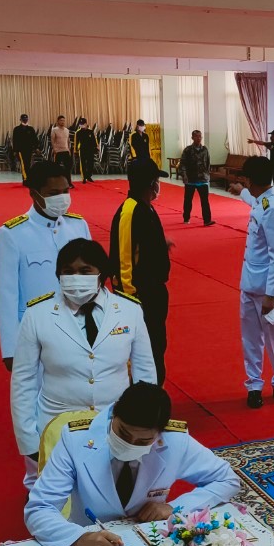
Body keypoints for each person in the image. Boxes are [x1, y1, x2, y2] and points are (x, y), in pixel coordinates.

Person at [24, 383, 240, 546]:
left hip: (150, 543)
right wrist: (78, 538)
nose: (130, 444)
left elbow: (227, 480)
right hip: (89, 545)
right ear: (113, 414)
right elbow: (39, 508)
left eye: (143, 441)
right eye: (123, 434)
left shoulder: (175, 441)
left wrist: (174, 508)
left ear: (160, 434)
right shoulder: (76, 440)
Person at [10, 238, 157, 487]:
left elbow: (145, 372)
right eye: (68, 271)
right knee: (56, 496)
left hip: (115, 423)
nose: (75, 277)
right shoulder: (37, 314)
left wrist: (145, 422)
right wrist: (29, 440)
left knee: (112, 494)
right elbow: (23, 381)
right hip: (56, 424)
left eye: (85, 271)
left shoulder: (129, 310)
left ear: (101, 273)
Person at [0, 160, 91, 371]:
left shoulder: (78, 226)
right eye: (53, 193)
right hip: (36, 335)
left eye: (66, 191)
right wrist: (10, 349)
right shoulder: (11, 235)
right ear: (34, 194)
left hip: (79, 329)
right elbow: (6, 296)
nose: (62, 198)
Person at [232, 156, 274, 408]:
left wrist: (271, 295)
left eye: (245, 180)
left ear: (251, 180)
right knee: (250, 338)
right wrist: (240, 192)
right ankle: (254, 385)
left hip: (271, 290)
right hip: (250, 283)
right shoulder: (263, 200)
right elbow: (253, 201)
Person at [109, 157, 172, 383]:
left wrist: (161, 247)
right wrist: (130, 301)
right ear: (151, 183)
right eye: (156, 181)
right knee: (143, 350)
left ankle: (154, 389)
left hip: (154, 292)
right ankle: (142, 392)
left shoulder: (147, 208)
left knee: (156, 345)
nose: (158, 186)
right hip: (139, 296)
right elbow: (124, 259)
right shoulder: (130, 211)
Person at [180, 130, 214, 226]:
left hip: (203, 179)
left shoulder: (205, 150)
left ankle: (207, 220)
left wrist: (207, 175)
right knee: (188, 200)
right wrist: (184, 175)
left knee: (205, 201)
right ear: (192, 138)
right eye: (196, 136)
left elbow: (208, 163)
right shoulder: (187, 150)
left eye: (200, 136)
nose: (198, 138)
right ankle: (186, 218)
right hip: (190, 179)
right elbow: (183, 164)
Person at [11, 114, 38, 184]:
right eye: (23, 119)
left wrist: (36, 148)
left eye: (26, 118)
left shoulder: (31, 129)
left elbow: (34, 139)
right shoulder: (17, 129)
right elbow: (15, 140)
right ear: (20, 119)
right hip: (20, 150)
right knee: (23, 164)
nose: (25, 120)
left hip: (29, 149)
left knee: (28, 164)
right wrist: (15, 150)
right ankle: (25, 179)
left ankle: (28, 178)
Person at [74, 117, 98, 184]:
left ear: (86, 124)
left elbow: (94, 140)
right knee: (83, 164)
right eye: (80, 124)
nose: (82, 125)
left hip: (90, 149)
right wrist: (75, 151)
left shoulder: (90, 131)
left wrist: (96, 147)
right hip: (82, 149)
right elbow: (76, 142)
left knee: (91, 163)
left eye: (83, 124)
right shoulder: (78, 132)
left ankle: (89, 176)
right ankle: (84, 177)